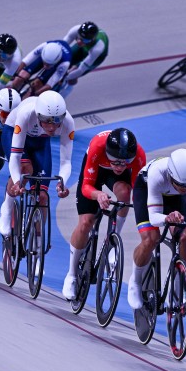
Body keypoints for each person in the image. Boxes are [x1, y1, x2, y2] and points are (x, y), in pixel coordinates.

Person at [62, 128, 146, 300]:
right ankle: (71, 275)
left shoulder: (139, 155)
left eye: (124, 163)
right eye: (116, 162)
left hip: (115, 180)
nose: (120, 166)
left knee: (125, 193)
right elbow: (86, 187)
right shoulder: (97, 146)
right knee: (86, 222)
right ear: (108, 153)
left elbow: (139, 192)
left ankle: (113, 240)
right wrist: (98, 194)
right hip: (95, 175)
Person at [126, 149, 186, 309]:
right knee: (151, 238)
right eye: (181, 184)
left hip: (175, 198)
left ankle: (179, 285)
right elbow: (154, 217)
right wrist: (167, 218)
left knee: (184, 236)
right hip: (146, 189)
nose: (185, 188)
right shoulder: (157, 174)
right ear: (171, 176)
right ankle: (135, 282)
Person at [0, 91, 74, 250]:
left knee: (43, 197)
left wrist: (62, 183)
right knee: (25, 167)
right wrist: (17, 181)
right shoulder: (26, 113)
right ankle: (7, 208)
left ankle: (37, 247)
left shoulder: (68, 122)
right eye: (47, 122)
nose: (52, 127)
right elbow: (16, 158)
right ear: (38, 116)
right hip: (14, 132)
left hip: (40, 143)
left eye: (56, 122)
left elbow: (66, 162)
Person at [59, 21, 109, 98]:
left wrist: (65, 78)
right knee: (64, 58)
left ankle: (66, 91)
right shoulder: (75, 30)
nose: (79, 41)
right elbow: (61, 46)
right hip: (84, 48)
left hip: (96, 57)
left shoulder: (97, 48)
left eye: (84, 40)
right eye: (78, 38)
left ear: (92, 39)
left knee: (73, 74)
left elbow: (81, 69)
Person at [8, 40, 73, 98]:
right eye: (44, 63)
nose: (44, 66)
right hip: (43, 59)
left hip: (55, 66)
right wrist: (16, 73)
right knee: (22, 76)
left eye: (48, 65)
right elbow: (26, 61)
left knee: (36, 86)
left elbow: (50, 84)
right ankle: (10, 93)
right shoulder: (43, 46)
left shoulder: (64, 63)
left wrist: (35, 93)